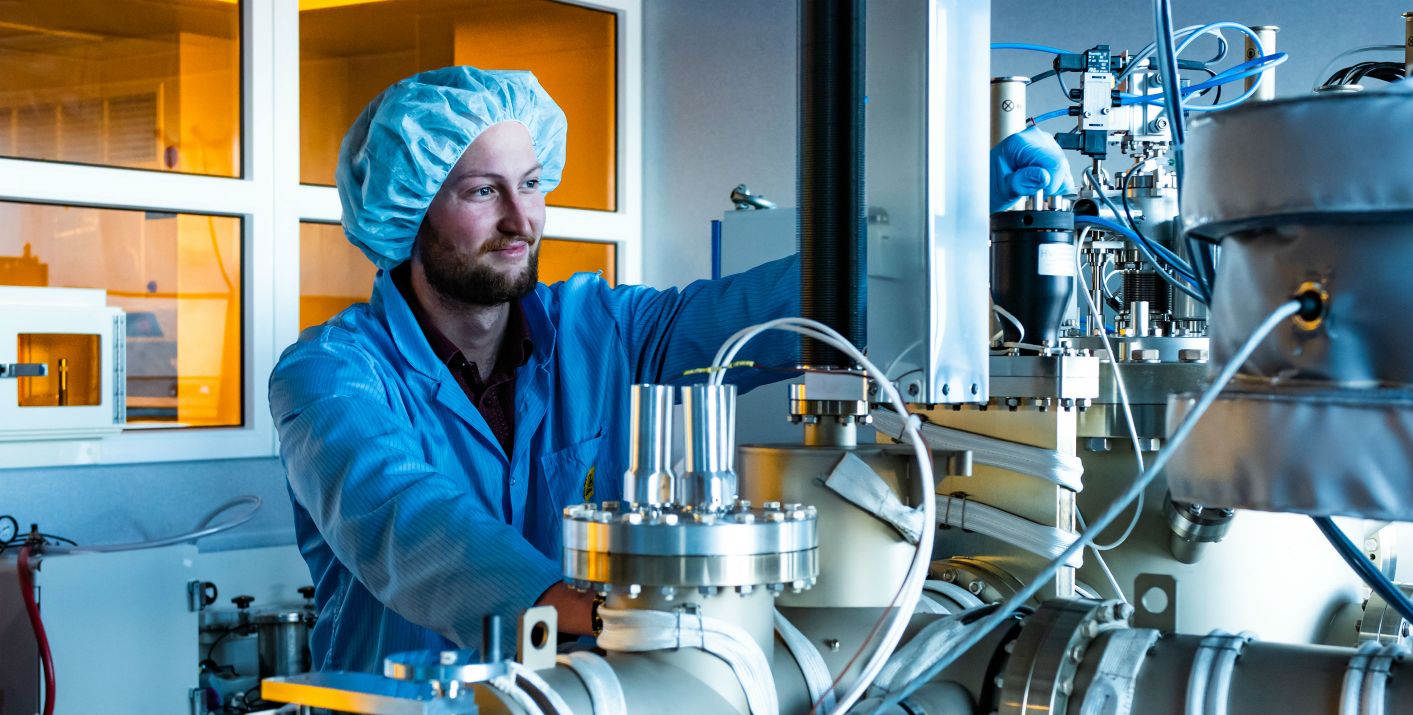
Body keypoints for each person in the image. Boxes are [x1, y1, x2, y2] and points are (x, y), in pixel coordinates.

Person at [272, 66, 1068, 674]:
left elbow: (766, 311)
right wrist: (576, 607)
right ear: (411, 208)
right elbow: (405, 519)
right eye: (483, 192)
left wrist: (959, 220)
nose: (522, 221)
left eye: (532, 184)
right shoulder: (330, 376)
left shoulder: (600, 330)